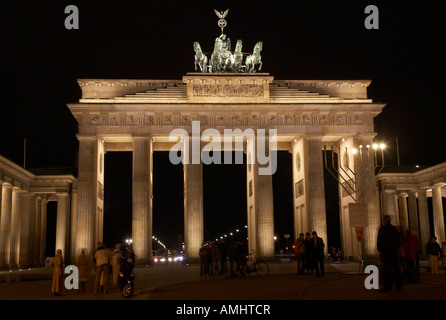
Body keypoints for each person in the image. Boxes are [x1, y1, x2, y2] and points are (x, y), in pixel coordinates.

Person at [377, 215, 402, 292]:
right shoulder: (394, 229)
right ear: (390, 220)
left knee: (386, 270)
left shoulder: (382, 230)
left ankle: (388, 287)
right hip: (394, 252)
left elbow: (379, 241)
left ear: (384, 220)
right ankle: (399, 286)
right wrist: (396, 248)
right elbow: (398, 240)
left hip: (386, 253)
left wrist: (380, 250)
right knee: (397, 269)